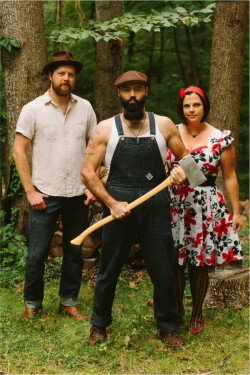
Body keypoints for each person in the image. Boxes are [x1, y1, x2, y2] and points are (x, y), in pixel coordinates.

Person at [80, 71, 206, 347]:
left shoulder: (164, 126)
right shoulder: (104, 129)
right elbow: (87, 173)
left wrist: (181, 173)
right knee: (108, 270)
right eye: (127, 90)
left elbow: (189, 165)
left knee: (163, 270)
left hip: (155, 205)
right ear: (119, 94)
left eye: (138, 89)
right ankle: (98, 326)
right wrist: (111, 203)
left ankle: (169, 328)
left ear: (147, 91)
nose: (132, 95)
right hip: (117, 205)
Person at [13, 50, 97, 319]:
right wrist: (30, 191)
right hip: (44, 193)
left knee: (74, 251)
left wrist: (91, 186)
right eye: (61, 73)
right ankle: (32, 304)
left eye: (71, 74)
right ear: (50, 75)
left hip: (77, 193)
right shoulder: (33, 109)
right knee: (37, 253)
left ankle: (68, 301)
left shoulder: (85, 108)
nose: (66, 78)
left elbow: (95, 148)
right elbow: (18, 151)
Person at [166, 85, 243, 334]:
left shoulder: (220, 138)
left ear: (204, 106)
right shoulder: (170, 132)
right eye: (187, 105)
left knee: (199, 261)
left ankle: (197, 313)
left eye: (196, 105)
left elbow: (229, 176)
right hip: (174, 202)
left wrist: (237, 212)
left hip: (204, 204)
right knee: (176, 260)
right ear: (181, 108)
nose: (191, 109)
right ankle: (177, 310)